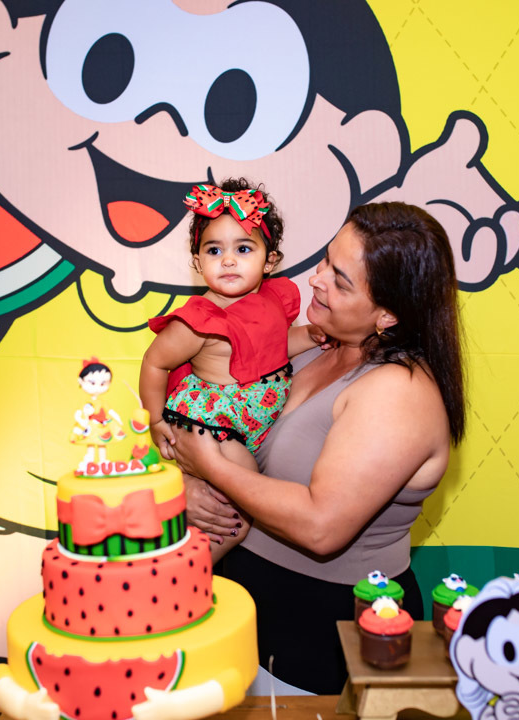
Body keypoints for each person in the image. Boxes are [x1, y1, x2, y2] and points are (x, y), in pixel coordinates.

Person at [170, 201, 466, 694]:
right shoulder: (313, 348)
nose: (316, 279)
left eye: (340, 281)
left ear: (388, 314)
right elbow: (222, 428)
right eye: (326, 260)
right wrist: (187, 482)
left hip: (324, 626)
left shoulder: (399, 391)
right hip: (241, 599)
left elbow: (321, 527)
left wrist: (211, 468)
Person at [139, 179, 322, 562]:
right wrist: (155, 420)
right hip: (212, 422)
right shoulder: (198, 320)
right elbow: (155, 362)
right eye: (214, 250)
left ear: (270, 260)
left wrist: (311, 335)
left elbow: (274, 348)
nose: (227, 260)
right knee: (240, 498)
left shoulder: (271, 300)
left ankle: (177, 556)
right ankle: (193, 569)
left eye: (243, 248)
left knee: (220, 498)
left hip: (245, 424)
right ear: (197, 261)